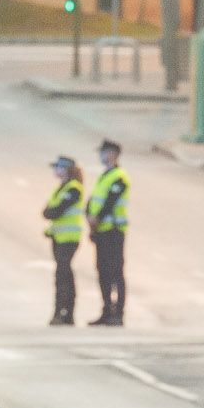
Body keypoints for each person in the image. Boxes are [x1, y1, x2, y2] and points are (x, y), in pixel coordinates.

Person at [87, 136, 130, 326]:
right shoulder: (104, 176)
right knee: (102, 271)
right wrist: (89, 217)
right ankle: (106, 310)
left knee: (116, 272)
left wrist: (97, 218)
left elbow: (110, 203)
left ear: (113, 154)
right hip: (101, 231)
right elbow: (94, 200)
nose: (101, 156)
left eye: (104, 153)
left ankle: (118, 313)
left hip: (113, 230)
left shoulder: (119, 177)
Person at [43, 155, 86, 326]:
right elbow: (47, 211)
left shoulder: (73, 188)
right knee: (63, 275)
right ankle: (65, 313)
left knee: (64, 276)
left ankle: (64, 313)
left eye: (58, 167)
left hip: (68, 239)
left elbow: (55, 211)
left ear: (66, 169)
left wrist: (50, 211)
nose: (56, 170)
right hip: (59, 237)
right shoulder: (62, 188)